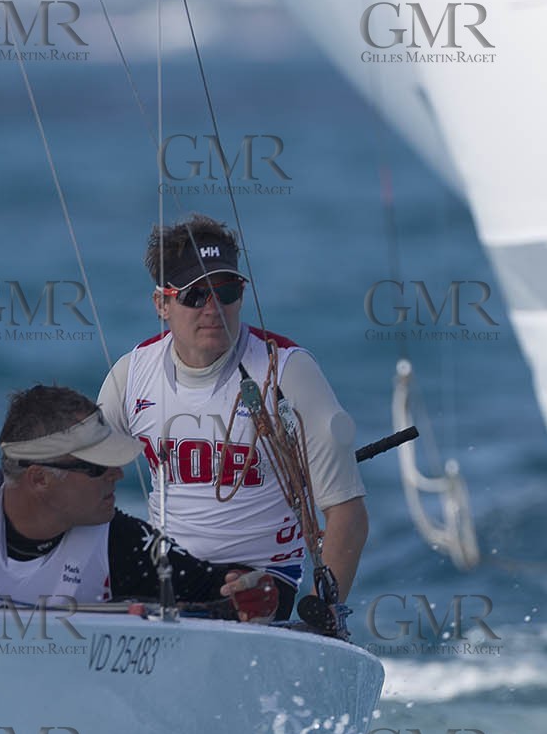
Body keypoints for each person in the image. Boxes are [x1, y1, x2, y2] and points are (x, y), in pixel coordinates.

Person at [96, 214, 368, 617]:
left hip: (262, 578)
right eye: (195, 295)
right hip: (170, 569)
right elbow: (80, 483)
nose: (213, 308)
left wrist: (322, 613)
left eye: (226, 291)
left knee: (242, 599)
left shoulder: (288, 372)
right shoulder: (132, 375)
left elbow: (348, 512)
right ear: (162, 304)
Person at [0, 385, 284, 619]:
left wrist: (253, 593)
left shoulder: (120, 541)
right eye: (98, 468)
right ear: (40, 479)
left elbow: (218, 587)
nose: (117, 475)